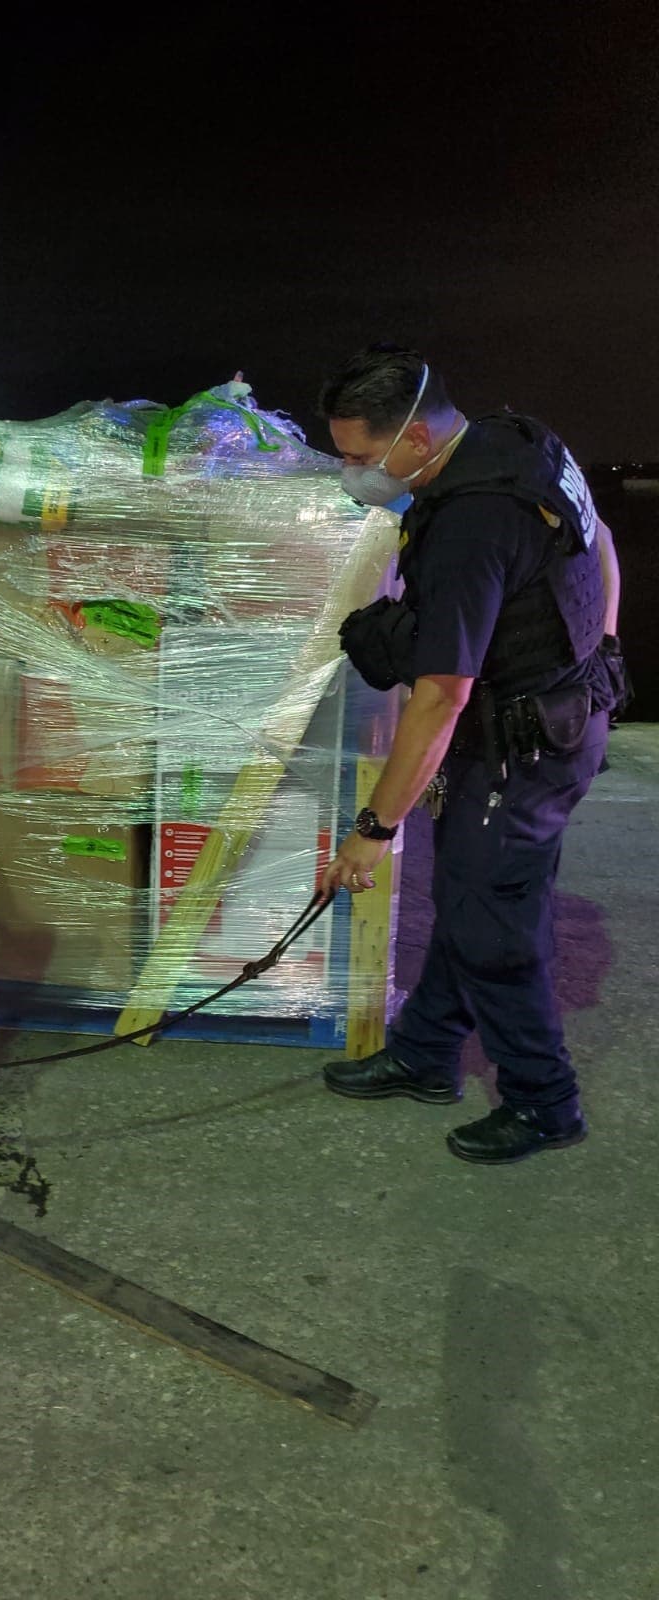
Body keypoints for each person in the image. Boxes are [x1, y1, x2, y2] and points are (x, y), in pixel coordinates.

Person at [317, 345, 623, 1165]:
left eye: (358, 458)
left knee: (495, 928)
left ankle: (543, 1101)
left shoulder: (469, 524)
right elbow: (602, 543)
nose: (352, 475)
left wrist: (371, 832)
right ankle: (426, 1053)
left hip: (522, 746)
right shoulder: (519, 441)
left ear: (413, 437)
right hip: (560, 713)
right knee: (471, 894)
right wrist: (601, 644)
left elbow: (440, 697)